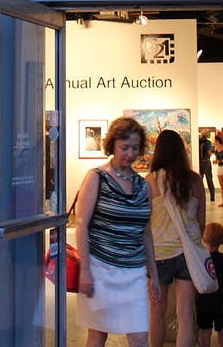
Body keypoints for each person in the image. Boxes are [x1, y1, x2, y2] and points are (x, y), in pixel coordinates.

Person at [75, 116, 161, 347]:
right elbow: (81, 223)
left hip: (134, 272)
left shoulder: (143, 186)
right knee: (98, 334)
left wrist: (153, 274)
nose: (130, 153)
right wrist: (85, 270)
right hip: (101, 269)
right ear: (112, 145)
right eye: (124, 147)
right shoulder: (97, 178)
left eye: (134, 148)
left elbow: (146, 232)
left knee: (140, 338)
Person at [146, 129, 206, 347]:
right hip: (187, 254)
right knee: (186, 315)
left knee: (156, 311)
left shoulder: (150, 181)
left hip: (159, 254)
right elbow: (201, 223)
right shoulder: (195, 181)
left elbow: (144, 224)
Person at [196, 222, 223, 347]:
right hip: (221, 302)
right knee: (221, 329)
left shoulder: (200, 259)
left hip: (203, 301)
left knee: (205, 330)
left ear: (204, 238)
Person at [198, 131, 215, 202]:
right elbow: (209, 153)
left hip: (199, 162)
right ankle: (212, 196)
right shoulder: (208, 142)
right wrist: (212, 152)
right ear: (207, 135)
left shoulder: (198, 141)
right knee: (209, 179)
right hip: (206, 162)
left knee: (199, 180)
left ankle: (199, 196)